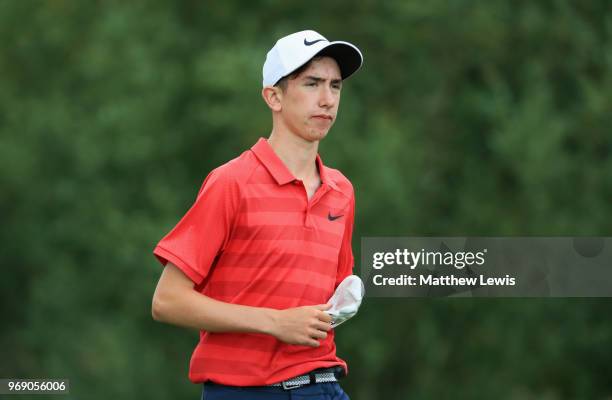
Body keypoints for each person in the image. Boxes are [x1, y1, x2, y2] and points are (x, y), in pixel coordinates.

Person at [151, 29, 363, 400]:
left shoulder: (341, 191)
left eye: (335, 86)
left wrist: (342, 304)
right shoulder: (231, 182)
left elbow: (328, 298)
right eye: (312, 83)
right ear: (274, 97)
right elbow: (167, 301)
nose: (327, 99)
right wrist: (275, 322)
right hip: (247, 392)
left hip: (322, 385)